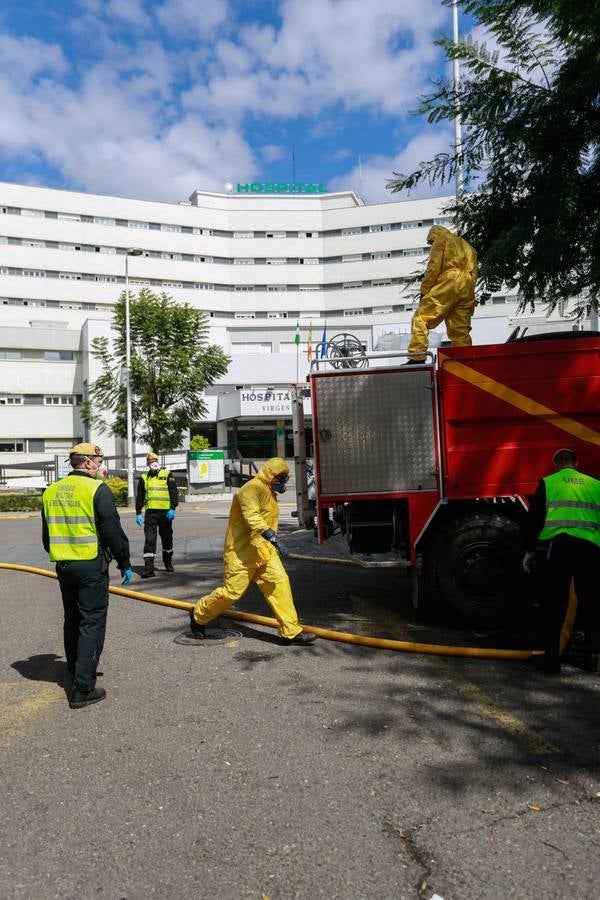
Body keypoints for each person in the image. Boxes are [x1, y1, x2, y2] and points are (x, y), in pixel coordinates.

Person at [41, 442, 132, 709]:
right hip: (90, 565)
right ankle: (83, 688)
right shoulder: (96, 489)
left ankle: (74, 668)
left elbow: (47, 537)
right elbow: (112, 531)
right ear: (89, 463)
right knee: (92, 622)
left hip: (64, 566)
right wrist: (124, 562)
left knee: (72, 618)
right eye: (99, 462)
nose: (101, 467)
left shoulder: (51, 491)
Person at [191, 457, 316, 645]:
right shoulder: (251, 489)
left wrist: (270, 542)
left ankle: (290, 631)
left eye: (285, 478)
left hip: (264, 552)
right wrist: (273, 538)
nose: (282, 482)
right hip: (241, 554)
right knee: (232, 593)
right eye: (280, 477)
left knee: (280, 585)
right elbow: (253, 517)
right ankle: (198, 614)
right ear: (270, 474)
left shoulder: (268, 491)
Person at [523, 448, 600, 674]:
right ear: (576, 463)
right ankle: (591, 655)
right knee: (592, 603)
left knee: (553, 603)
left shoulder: (549, 482)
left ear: (556, 464)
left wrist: (530, 549)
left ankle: (552, 659)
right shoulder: (595, 484)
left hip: (558, 547)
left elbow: (535, 518)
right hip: (591, 548)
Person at [406, 225, 478, 363]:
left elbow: (434, 268)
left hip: (449, 281)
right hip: (467, 286)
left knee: (421, 318)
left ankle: (417, 357)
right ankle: (465, 361)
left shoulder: (442, 240)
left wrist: (424, 291)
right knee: (460, 328)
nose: (431, 245)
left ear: (434, 236)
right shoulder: (469, 248)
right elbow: (474, 275)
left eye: (431, 242)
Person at [136, 451, 179, 578]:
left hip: (165, 514)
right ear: (147, 463)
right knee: (150, 540)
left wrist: (172, 508)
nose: (153, 463)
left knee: (167, 539)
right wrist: (138, 512)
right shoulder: (144, 477)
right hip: (151, 514)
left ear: (158, 462)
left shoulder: (167, 474)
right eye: (150, 461)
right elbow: (140, 496)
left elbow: (173, 492)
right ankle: (148, 569)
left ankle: (168, 562)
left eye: (155, 461)